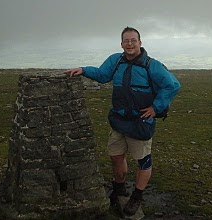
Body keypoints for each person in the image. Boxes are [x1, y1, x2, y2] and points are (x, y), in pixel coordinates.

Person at [64, 27, 180, 216]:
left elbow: (172, 85)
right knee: (116, 157)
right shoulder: (115, 60)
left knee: (143, 161)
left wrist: (155, 108)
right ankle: (119, 189)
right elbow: (102, 75)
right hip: (119, 119)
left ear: (140, 43)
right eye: (126, 40)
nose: (130, 44)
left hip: (141, 121)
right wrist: (83, 70)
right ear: (121, 43)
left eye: (133, 40)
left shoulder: (152, 65)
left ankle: (137, 196)